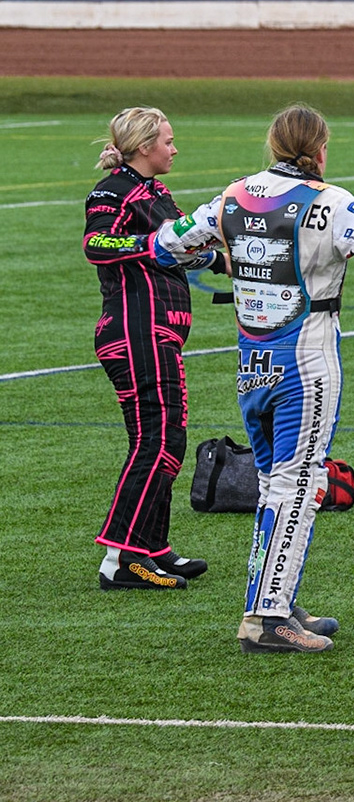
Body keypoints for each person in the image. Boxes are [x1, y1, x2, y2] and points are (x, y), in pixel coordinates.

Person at [156, 104, 354, 651]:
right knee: (297, 485)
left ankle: (275, 599)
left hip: (252, 364)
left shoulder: (234, 196)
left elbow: (168, 244)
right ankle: (265, 620)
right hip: (306, 365)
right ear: (320, 149)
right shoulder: (330, 203)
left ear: (273, 144)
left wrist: (220, 258)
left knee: (273, 485)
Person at [84, 106, 222, 590]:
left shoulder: (157, 192)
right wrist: (152, 246)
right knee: (155, 442)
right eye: (167, 140)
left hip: (159, 331)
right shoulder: (112, 190)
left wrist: (226, 261)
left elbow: (182, 246)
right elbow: (96, 244)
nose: (174, 148)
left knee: (168, 443)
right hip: (135, 330)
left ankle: (154, 548)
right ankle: (121, 561)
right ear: (144, 146)